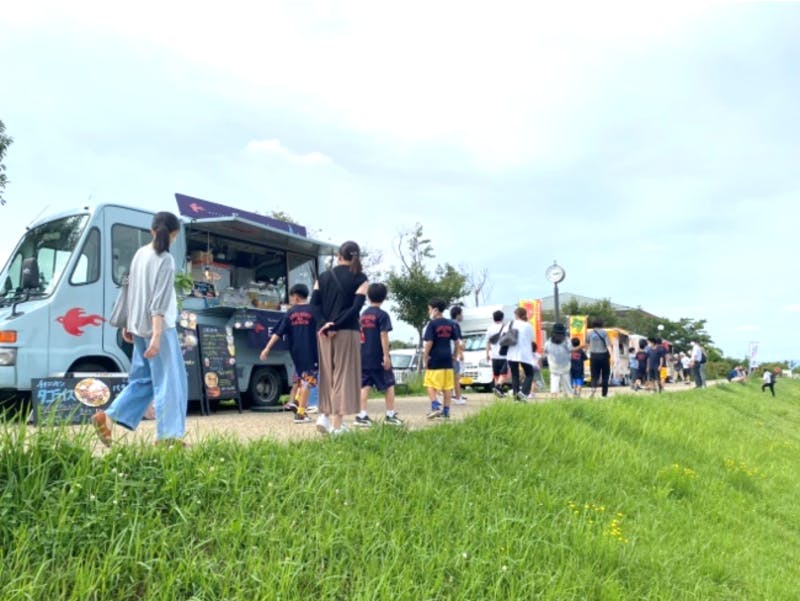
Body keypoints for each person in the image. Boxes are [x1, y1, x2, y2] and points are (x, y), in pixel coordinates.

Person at [92, 212, 188, 447]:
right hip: (160, 330)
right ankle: (169, 438)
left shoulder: (139, 254)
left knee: (143, 380)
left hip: (138, 328)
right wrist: (156, 335)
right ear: (174, 235)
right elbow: (159, 301)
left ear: (151, 230)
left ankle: (109, 416)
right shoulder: (165, 259)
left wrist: (129, 325)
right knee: (171, 382)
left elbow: (130, 292)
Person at [311, 241, 369, 436]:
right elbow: (355, 308)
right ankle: (337, 426)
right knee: (343, 376)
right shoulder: (360, 278)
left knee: (327, 374)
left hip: (324, 334)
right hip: (347, 331)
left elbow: (314, 305)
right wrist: (335, 324)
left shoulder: (323, 277)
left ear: (338, 255)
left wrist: (323, 325)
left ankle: (324, 416)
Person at [260, 283, 318, 424]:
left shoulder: (290, 313)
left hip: (295, 352)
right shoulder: (314, 311)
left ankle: (296, 402)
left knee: (301, 379)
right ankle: (301, 414)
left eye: (291, 297)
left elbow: (278, 333)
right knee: (307, 381)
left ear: (296, 297)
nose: (291, 299)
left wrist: (267, 348)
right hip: (311, 351)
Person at [356, 283, 404, 427]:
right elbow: (383, 334)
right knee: (389, 384)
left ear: (368, 297)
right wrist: (386, 356)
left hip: (363, 356)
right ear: (384, 297)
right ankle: (390, 415)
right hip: (378, 357)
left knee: (365, 385)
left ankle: (361, 416)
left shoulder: (363, 315)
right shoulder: (382, 315)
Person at [423, 298, 460, 419]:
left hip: (435, 358)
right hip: (447, 359)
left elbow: (429, 342)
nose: (428, 312)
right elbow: (456, 342)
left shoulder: (432, 324)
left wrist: (425, 356)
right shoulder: (451, 324)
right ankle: (446, 412)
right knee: (447, 387)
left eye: (429, 309)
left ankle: (435, 407)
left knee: (430, 384)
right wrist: (455, 355)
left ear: (435, 310)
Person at [506, 306, 535, 402]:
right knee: (529, 374)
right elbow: (531, 339)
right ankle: (524, 393)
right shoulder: (528, 325)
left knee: (515, 375)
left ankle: (515, 397)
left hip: (512, 352)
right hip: (525, 353)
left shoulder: (511, 323)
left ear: (516, 315)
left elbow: (505, 335)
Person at [544, 323, 572, 399]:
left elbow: (545, 351)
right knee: (566, 380)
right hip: (565, 364)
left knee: (554, 379)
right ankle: (569, 396)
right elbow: (570, 350)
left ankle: (554, 396)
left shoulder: (549, 341)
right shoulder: (566, 340)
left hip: (553, 364)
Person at [485, 310, 509, 398]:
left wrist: (487, 354)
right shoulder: (506, 327)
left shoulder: (490, 328)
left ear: (493, 318)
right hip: (504, 354)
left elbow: (487, 342)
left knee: (496, 374)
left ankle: (499, 392)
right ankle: (498, 387)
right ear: (502, 318)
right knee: (503, 374)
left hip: (494, 355)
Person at [587, 318, 612, 398]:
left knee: (594, 375)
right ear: (601, 324)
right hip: (603, 356)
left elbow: (587, 345)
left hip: (593, 356)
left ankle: (593, 390)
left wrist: (585, 353)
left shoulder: (589, 333)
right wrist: (612, 357)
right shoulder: (604, 333)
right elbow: (608, 346)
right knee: (605, 375)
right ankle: (604, 394)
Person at [449, 305, 467, 404]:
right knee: (456, 377)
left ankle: (451, 395)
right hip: (453, 353)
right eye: (461, 314)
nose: (462, 316)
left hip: (447, 352)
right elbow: (457, 341)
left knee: (449, 377)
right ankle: (458, 398)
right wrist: (460, 352)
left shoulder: (448, 323)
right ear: (458, 314)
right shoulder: (455, 325)